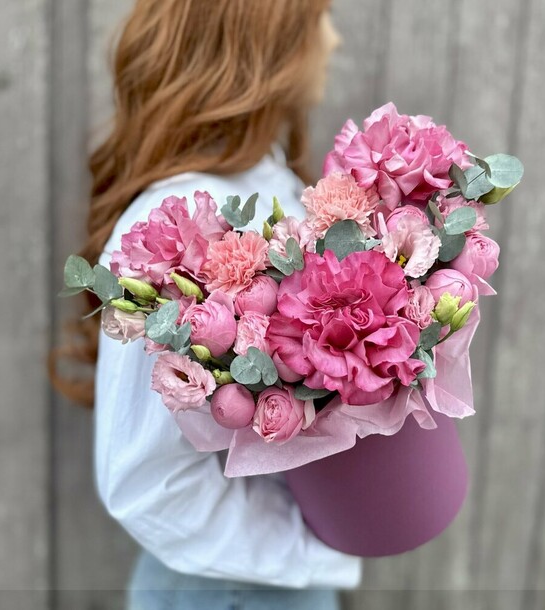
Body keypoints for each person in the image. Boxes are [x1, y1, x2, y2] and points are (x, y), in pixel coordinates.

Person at [63, 1, 362, 608]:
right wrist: (317, 552)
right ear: (260, 39)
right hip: (228, 588)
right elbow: (150, 484)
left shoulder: (269, 181)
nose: (332, 40)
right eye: (317, 18)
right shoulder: (173, 224)